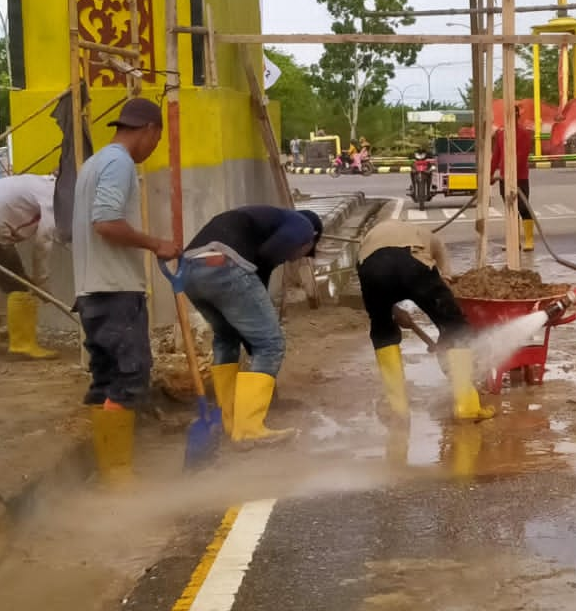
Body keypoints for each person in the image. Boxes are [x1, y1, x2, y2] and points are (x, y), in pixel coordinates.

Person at [72, 97, 178, 483]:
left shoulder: (95, 163)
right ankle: (119, 478)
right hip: (114, 290)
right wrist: (156, 244)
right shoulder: (119, 164)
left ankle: (111, 473)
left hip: (91, 290)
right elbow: (106, 222)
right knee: (132, 377)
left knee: (107, 380)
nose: (154, 148)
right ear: (149, 129)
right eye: (157, 138)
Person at [182, 205, 324, 445]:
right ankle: (248, 429)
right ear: (311, 239)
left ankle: (230, 420)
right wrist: (259, 337)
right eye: (306, 252)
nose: (297, 258)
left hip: (190, 270)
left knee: (226, 338)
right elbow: (267, 258)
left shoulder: (265, 221)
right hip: (226, 265)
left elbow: (259, 274)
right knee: (270, 344)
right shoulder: (303, 226)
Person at [357, 220, 494, 423]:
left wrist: (394, 311)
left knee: (383, 331)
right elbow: (439, 248)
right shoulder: (422, 233)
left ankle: (398, 410)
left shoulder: (366, 243)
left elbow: (369, 286)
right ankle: (467, 407)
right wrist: (445, 279)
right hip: (411, 261)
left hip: (372, 269)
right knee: (455, 326)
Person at [0, 173, 59, 359]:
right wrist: (41, 283)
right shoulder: (51, 195)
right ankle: (23, 346)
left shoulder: (35, 182)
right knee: (20, 286)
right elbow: (43, 242)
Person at [491, 107, 536, 251]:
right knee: (511, 210)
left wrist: (512, 173)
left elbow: (522, 156)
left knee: (523, 208)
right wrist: (490, 174)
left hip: (520, 177)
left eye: (513, 115)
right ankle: (514, 242)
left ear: (517, 116)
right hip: (504, 178)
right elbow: (496, 156)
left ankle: (529, 240)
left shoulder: (524, 134)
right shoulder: (500, 134)